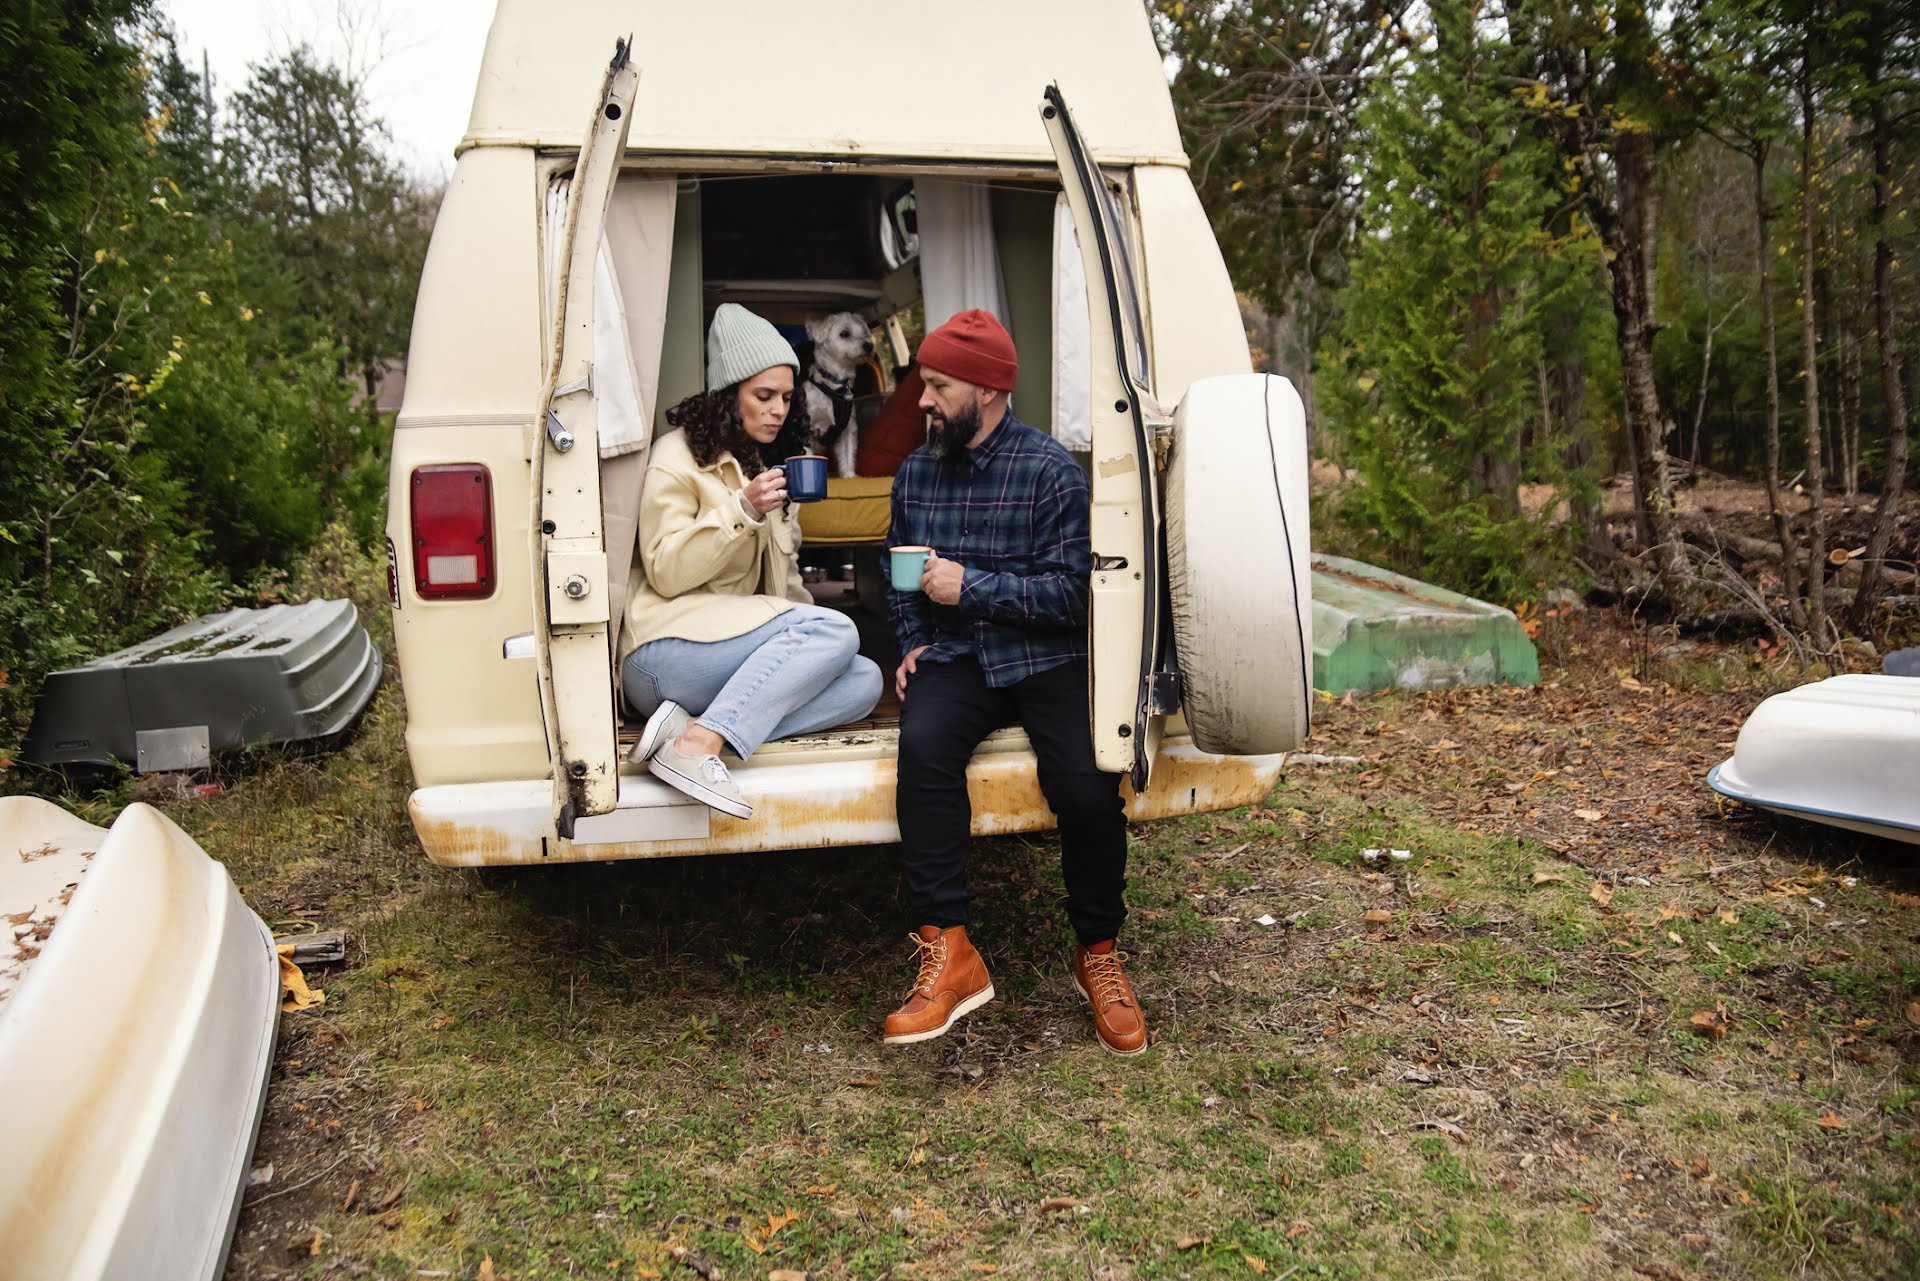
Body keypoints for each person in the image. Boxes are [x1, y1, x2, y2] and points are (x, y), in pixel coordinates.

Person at [880, 309, 1145, 1056]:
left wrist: (973, 588)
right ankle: (952, 951)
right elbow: (896, 573)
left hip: (1043, 656)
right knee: (924, 750)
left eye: (938, 386)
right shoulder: (916, 470)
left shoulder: (1051, 472)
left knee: (1089, 787)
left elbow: (1070, 597)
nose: (923, 401)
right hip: (957, 655)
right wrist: (912, 641)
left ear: (989, 390)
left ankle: (1098, 950)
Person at [621, 303, 883, 818]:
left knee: (864, 678)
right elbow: (666, 572)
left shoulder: (767, 467)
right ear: (728, 395)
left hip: (731, 657)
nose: (778, 409)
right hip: (662, 652)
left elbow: (787, 594)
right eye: (763, 396)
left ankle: (693, 732)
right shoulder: (676, 457)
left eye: (787, 397)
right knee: (838, 631)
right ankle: (698, 746)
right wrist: (740, 509)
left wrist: (814, 638)